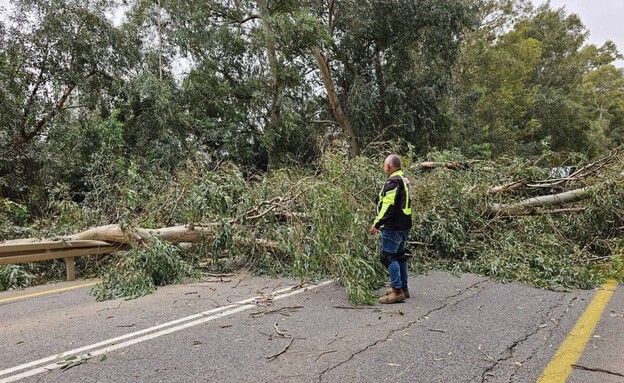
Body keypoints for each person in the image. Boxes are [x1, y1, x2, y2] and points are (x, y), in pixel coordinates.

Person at [370, 154, 412, 304]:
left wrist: (377, 223)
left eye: (384, 165)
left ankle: (397, 291)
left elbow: (388, 205)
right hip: (404, 224)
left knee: (388, 256)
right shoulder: (404, 179)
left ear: (388, 166)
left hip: (393, 226)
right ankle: (403, 288)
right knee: (400, 255)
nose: (384, 168)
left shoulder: (393, 181)